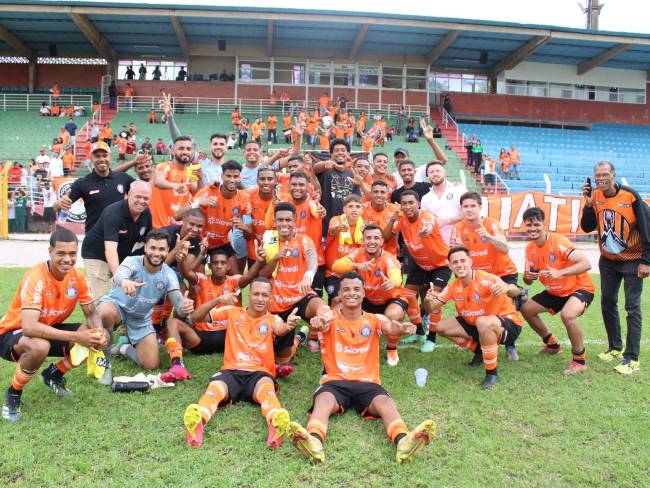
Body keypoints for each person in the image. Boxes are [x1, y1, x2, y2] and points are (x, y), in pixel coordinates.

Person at [289, 272, 435, 464]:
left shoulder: (374, 319)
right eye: (346, 289)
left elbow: (390, 327)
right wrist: (317, 323)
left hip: (368, 382)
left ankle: (403, 442)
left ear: (363, 293)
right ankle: (314, 441)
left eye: (356, 289)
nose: (352, 293)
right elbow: (321, 323)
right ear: (339, 294)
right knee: (323, 400)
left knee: (386, 403)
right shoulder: (330, 318)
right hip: (336, 382)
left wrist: (401, 328)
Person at [182, 277, 306, 449]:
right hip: (231, 371)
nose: (260, 299)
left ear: (270, 298)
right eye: (256, 294)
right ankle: (197, 422)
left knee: (266, 391)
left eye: (264, 295)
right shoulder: (233, 312)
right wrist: (217, 300)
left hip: (259, 373)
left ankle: (276, 423)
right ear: (249, 295)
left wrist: (289, 326)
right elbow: (196, 317)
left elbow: (280, 329)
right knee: (215, 389)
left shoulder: (272, 319)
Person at [0, 229, 108, 421]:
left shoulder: (78, 277)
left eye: (72, 253)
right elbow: (30, 328)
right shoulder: (36, 277)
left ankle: (54, 374)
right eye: (61, 253)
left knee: (91, 335)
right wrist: (76, 337)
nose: (67, 259)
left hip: (46, 329)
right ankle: (13, 394)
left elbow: (91, 312)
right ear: (50, 251)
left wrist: (99, 332)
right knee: (40, 346)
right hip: (11, 333)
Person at [97, 229, 195, 385]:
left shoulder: (168, 275)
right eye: (153, 248)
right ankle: (105, 364)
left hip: (140, 317)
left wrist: (186, 307)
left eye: (162, 249)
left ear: (167, 250)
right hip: (117, 306)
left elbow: (180, 307)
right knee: (105, 313)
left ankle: (123, 348)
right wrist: (125, 282)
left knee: (151, 365)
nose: (157, 253)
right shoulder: (133, 261)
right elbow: (119, 275)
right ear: (146, 248)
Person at [580, 161, 650, 375]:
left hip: (632, 260)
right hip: (608, 261)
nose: (601, 178)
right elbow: (587, 227)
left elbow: (648, 227)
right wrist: (589, 205)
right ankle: (615, 347)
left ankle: (632, 358)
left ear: (614, 175)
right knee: (608, 303)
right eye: (597, 174)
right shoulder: (597, 196)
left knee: (632, 308)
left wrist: (646, 261)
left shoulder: (631, 196)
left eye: (605, 174)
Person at [424, 246, 522, 389]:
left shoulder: (486, 279)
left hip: (508, 324)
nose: (459, 265)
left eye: (463, 260)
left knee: (483, 322)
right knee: (440, 327)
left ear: (470, 261)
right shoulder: (453, 286)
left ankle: (492, 374)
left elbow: (516, 291)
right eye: (455, 262)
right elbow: (430, 308)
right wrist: (427, 299)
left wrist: (507, 288)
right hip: (478, 324)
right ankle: (479, 351)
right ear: (450, 266)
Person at [331, 225, 423, 366]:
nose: (372, 241)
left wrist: (392, 282)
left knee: (393, 316)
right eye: (368, 238)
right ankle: (347, 344)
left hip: (390, 299)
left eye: (376, 238)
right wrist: (357, 265)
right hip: (368, 299)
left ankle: (391, 348)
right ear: (363, 240)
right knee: (338, 305)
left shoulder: (388, 258)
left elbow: (396, 276)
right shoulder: (357, 254)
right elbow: (336, 266)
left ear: (381, 241)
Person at [259, 202, 333, 376]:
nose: (284, 224)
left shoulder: (303, 239)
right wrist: (275, 258)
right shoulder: (269, 239)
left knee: (320, 308)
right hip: (277, 304)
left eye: (288, 220)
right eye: (280, 220)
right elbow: (263, 274)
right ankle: (300, 338)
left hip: (300, 296)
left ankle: (332, 359)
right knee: (282, 359)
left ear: (295, 221)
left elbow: (312, 257)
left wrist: (308, 274)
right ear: (275, 222)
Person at [520, 207, 594, 374]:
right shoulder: (529, 249)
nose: (532, 229)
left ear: (543, 224)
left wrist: (560, 272)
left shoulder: (557, 241)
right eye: (529, 225)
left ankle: (579, 361)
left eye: (536, 224)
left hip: (579, 287)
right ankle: (552, 345)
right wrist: (528, 277)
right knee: (526, 309)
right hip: (556, 292)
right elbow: (528, 280)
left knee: (567, 315)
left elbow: (586, 264)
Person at [384, 190, 451, 352]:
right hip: (420, 264)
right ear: (400, 205)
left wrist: (427, 230)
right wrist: (392, 220)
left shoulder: (425, 215)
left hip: (441, 264)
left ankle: (431, 339)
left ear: (418, 204)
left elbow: (429, 224)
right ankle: (419, 332)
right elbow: (385, 237)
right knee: (407, 294)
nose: (408, 206)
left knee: (434, 299)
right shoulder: (401, 220)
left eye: (411, 203)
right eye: (404, 203)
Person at [176, 160, 252, 273]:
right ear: (222, 176)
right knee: (196, 279)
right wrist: (198, 203)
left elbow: (249, 233)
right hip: (199, 240)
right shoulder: (207, 192)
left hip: (221, 243)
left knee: (236, 279)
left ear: (240, 177)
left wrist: (244, 227)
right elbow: (178, 215)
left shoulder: (244, 199)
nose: (232, 180)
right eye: (228, 176)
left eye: (235, 176)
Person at [80, 181, 152, 298]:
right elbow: (110, 249)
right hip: (96, 254)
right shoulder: (113, 212)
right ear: (128, 195)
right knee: (101, 298)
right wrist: (119, 277)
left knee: (125, 296)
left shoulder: (146, 213)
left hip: (122, 255)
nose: (142, 201)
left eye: (146, 198)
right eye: (138, 196)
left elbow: (147, 243)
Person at [54, 142, 134, 234]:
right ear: (91, 158)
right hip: (94, 238)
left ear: (110, 158)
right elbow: (56, 207)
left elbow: (142, 192)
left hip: (119, 237)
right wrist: (59, 203)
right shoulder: (82, 183)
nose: (101, 159)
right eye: (97, 156)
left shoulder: (123, 178)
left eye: (104, 155)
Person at [313, 139, 361, 236]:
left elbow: (357, 199)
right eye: (336, 150)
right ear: (331, 154)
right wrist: (328, 164)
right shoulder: (325, 169)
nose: (340, 152)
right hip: (326, 229)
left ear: (348, 154)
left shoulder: (352, 173)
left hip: (347, 230)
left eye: (343, 150)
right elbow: (314, 169)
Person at [150, 136, 197, 228]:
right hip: (160, 227)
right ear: (173, 151)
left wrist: (200, 177)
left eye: (188, 149)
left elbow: (196, 192)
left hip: (179, 226)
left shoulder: (190, 172)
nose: (185, 152)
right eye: (181, 148)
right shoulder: (164, 166)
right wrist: (175, 186)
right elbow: (158, 181)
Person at [420, 162, 466, 244]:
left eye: (438, 171)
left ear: (444, 172)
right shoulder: (425, 198)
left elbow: (467, 213)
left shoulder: (458, 189)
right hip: (438, 243)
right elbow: (426, 219)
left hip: (460, 240)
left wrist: (446, 221)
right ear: (427, 175)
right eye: (431, 172)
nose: (435, 174)